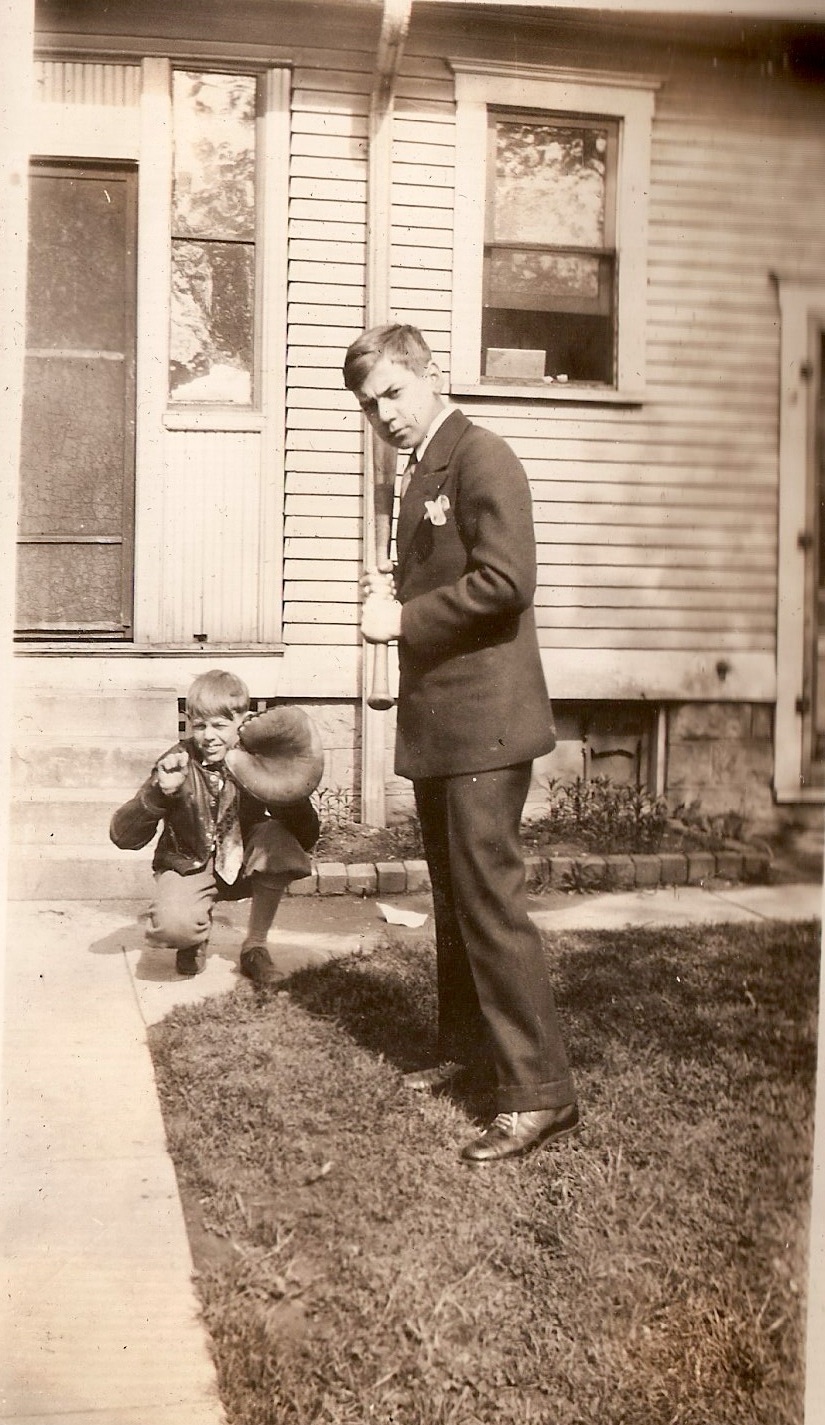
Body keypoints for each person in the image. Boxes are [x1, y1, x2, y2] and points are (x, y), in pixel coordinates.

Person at [343, 324, 578, 1164]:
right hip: (442, 718)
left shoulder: (483, 456)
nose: (385, 415)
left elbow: (507, 580)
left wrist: (399, 616)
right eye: (370, 407)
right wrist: (395, 588)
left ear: (428, 375)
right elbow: (448, 578)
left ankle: (539, 1092)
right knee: (454, 896)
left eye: (394, 393)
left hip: (487, 719)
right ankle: (467, 1048)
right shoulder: (420, 473)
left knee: (489, 901)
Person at [110, 669, 319, 987]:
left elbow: (306, 835)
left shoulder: (256, 759)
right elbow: (122, 837)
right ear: (189, 723)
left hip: (243, 857)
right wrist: (157, 791)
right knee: (171, 928)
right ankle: (193, 935)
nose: (209, 736)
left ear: (243, 722)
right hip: (190, 861)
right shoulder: (177, 761)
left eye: (220, 726)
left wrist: (279, 789)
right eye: (200, 726)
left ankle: (255, 947)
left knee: (277, 839)